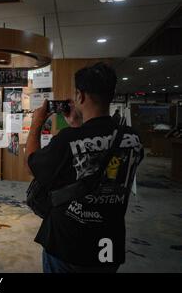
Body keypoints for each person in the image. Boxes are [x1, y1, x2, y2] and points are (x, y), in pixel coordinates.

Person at [25, 62, 144, 273]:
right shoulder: (133, 138)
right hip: (108, 242)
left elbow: (31, 163)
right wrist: (78, 126)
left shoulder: (68, 139)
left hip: (67, 243)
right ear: (111, 94)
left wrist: (36, 123)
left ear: (80, 96)